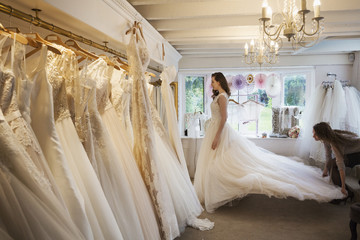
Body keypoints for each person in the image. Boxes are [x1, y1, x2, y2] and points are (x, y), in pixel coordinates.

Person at [194, 72, 345, 213]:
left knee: (224, 163)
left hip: (219, 131)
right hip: (214, 129)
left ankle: (218, 192)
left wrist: (216, 136)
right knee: (216, 162)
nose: (211, 84)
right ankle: (215, 191)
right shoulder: (218, 96)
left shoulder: (222, 97)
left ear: (219, 82)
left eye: (213, 81)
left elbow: (224, 118)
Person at [313, 122, 360, 196]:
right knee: (331, 164)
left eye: (315, 134)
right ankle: (342, 189)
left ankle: (345, 191)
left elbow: (340, 165)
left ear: (321, 134)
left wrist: (343, 187)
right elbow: (328, 156)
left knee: (334, 164)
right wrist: (325, 172)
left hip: (357, 154)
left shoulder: (335, 142)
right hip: (352, 152)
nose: (313, 136)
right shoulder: (327, 138)